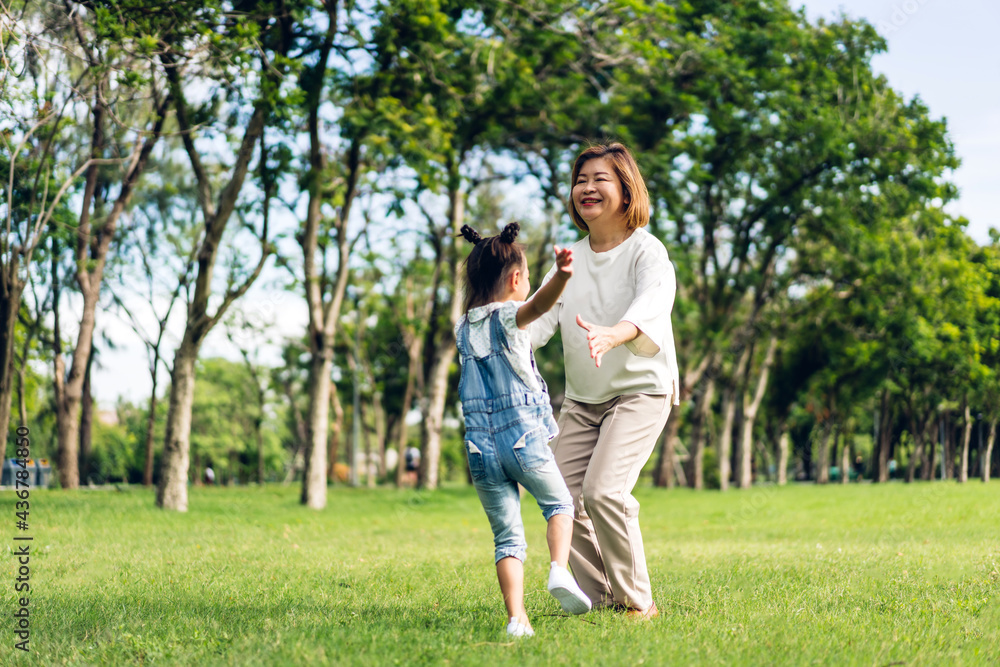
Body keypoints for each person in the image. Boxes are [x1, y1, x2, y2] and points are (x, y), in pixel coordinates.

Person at [530, 142, 680, 620]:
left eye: (600, 179)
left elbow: (652, 305)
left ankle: (640, 602)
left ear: (627, 190)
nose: (587, 188)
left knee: (603, 492)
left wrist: (614, 334)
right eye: (580, 180)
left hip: (641, 390)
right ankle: (605, 598)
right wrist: (493, 334)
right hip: (582, 400)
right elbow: (535, 321)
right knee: (560, 496)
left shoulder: (647, 250)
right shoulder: (568, 259)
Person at [455, 221, 591, 637]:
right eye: (527, 278)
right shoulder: (511, 318)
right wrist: (563, 276)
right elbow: (540, 306)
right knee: (559, 505)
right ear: (516, 279)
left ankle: (517, 619)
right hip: (524, 441)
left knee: (507, 540)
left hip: (480, 450)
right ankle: (559, 571)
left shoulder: (463, 328)